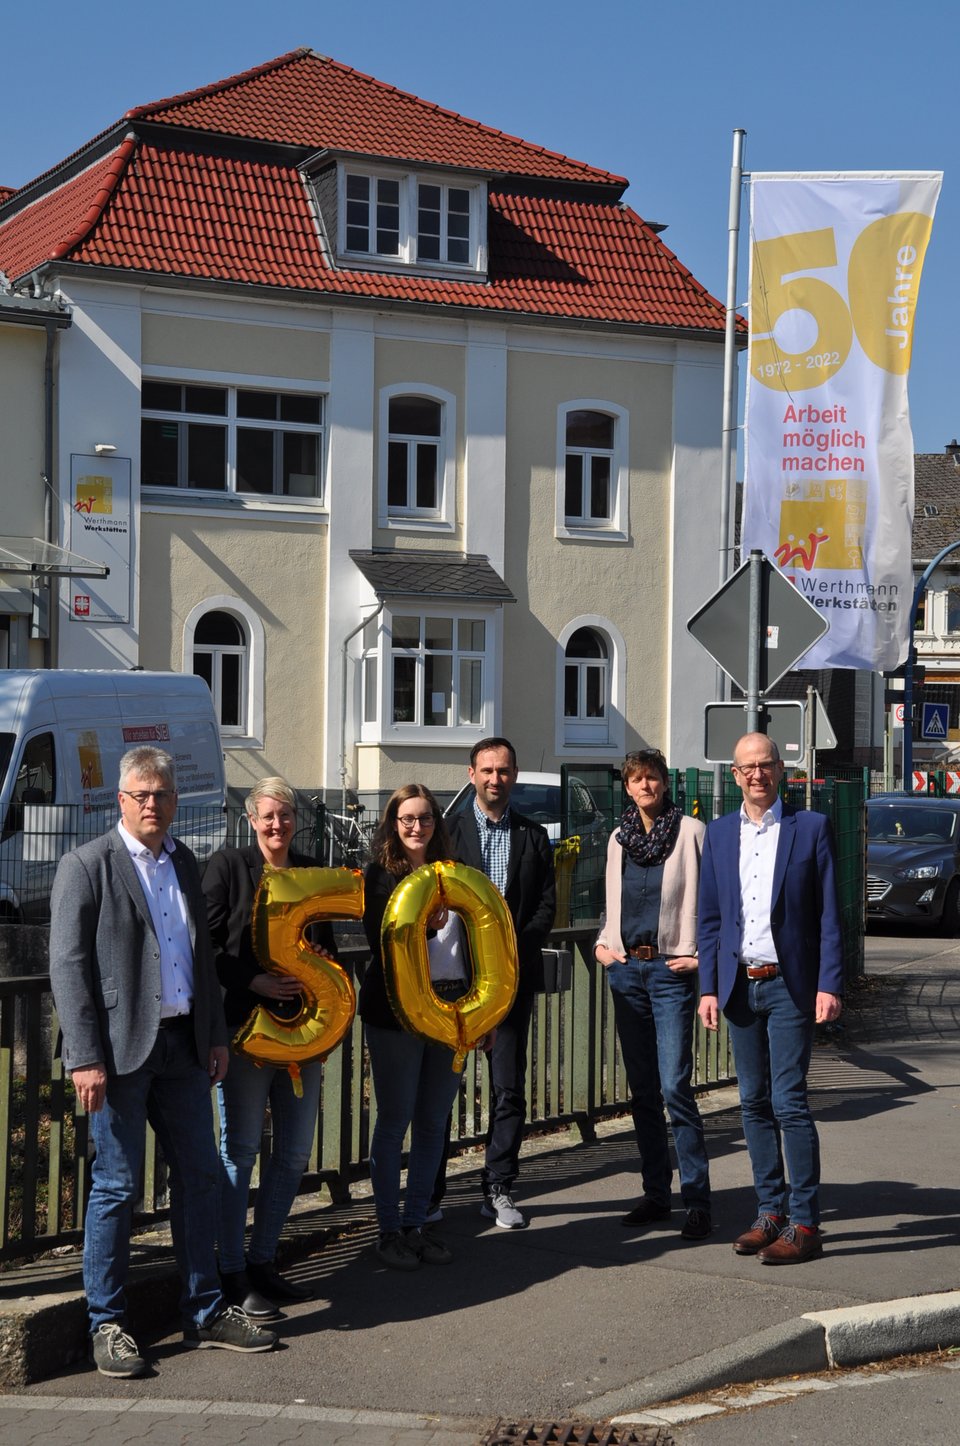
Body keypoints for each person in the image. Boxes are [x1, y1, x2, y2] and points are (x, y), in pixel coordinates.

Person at [48, 747, 277, 1379]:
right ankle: (107, 1324)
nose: (152, 804)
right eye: (141, 795)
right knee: (116, 1186)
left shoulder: (183, 861)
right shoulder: (86, 865)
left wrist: (215, 1036)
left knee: (200, 1177)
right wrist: (84, 1057)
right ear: (120, 800)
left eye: (162, 795)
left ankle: (204, 1310)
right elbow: (67, 965)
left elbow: (199, 958)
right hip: (117, 1054)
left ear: (176, 801)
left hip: (183, 1047)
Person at [697, 733, 844, 1265]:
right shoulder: (719, 834)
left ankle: (805, 1222)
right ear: (735, 775)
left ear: (781, 770)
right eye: (747, 767)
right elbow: (710, 918)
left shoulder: (811, 828)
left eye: (765, 765)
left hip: (789, 986)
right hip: (739, 985)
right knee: (753, 1102)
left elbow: (829, 914)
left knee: (788, 1102)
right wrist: (708, 987)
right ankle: (770, 1212)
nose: (756, 774)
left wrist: (829, 983)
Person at [203, 778, 338, 1318]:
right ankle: (231, 1271)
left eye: (285, 815)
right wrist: (252, 980)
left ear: (295, 820)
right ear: (251, 819)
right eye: (268, 816)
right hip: (247, 1032)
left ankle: (263, 1261)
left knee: (294, 1154)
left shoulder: (310, 870)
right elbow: (207, 945)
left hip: (303, 1033)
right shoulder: (228, 867)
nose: (277, 824)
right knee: (240, 1151)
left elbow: (327, 947)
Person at [594, 749, 712, 1241]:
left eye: (653, 778)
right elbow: (611, 901)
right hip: (627, 971)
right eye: (637, 779)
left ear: (665, 783)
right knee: (642, 1091)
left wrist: (701, 956)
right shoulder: (618, 838)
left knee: (675, 1087)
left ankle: (698, 1201)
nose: (645, 786)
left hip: (669, 971)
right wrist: (603, 946)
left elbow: (713, 900)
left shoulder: (691, 832)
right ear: (627, 787)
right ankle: (656, 1194)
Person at [446, 737, 556, 1229]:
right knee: (442, 1089)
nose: (496, 779)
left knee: (508, 1087)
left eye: (504, 770)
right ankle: (430, 1193)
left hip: (510, 979)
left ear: (514, 775)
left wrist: (508, 952)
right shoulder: (447, 833)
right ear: (471, 774)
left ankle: (498, 1187)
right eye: (487, 770)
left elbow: (547, 905)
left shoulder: (533, 836)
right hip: (452, 981)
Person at [361, 784, 472, 1270]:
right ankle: (388, 1230)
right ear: (393, 823)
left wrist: (480, 1013)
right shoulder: (380, 875)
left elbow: (475, 944)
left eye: (425, 818)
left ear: (436, 823)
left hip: (450, 1006)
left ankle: (416, 1224)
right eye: (406, 818)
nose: (416, 827)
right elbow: (383, 941)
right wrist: (427, 922)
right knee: (395, 1120)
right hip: (397, 1011)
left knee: (432, 1123)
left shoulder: (456, 872)